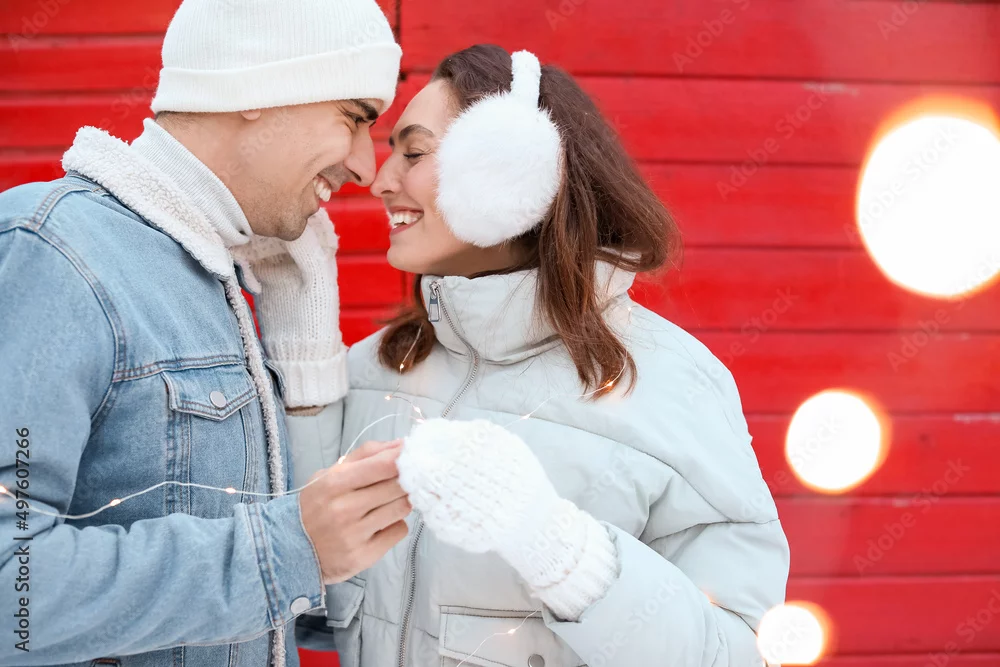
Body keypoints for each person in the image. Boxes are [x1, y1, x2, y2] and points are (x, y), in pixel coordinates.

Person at [293, 44, 791, 667]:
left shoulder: (674, 387)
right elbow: (305, 609)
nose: (380, 180)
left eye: (414, 153)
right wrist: (302, 357)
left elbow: (737, 653)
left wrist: (562, 552)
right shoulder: (378, 367)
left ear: (511, 172)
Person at [0, 0, 409, 665]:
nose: (365, 165)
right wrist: (286, 549)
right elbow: (9, 590)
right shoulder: (54, 252)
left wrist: (306, 366)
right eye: (354, 116)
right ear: (258, 85)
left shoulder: (235, 280)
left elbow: (286, 609)